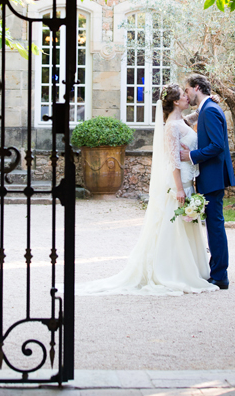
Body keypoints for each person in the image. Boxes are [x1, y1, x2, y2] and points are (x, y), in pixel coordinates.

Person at [77, 84, 217, 295]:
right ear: (176, 102)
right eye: (184, 96)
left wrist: (205, 105)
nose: (188, 97)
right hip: (180, 186)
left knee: (184, 229)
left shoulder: (180, 120)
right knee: (174, 230)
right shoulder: (170, 126)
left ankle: (189, 268)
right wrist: (179, 189)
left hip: (189, 182)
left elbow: (189, 122)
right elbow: (174, 163)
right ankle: (171, 271)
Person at [180, 74, 235, 290]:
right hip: (209, 177)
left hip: (212, 177)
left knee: (215, 226)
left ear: (196, 88)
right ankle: (217, 271)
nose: (186, 94)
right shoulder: (206, 108)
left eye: (187, 90)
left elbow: (216, 146)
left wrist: (191, 156)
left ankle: (220, 275)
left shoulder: (210, 110)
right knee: (214, 226)